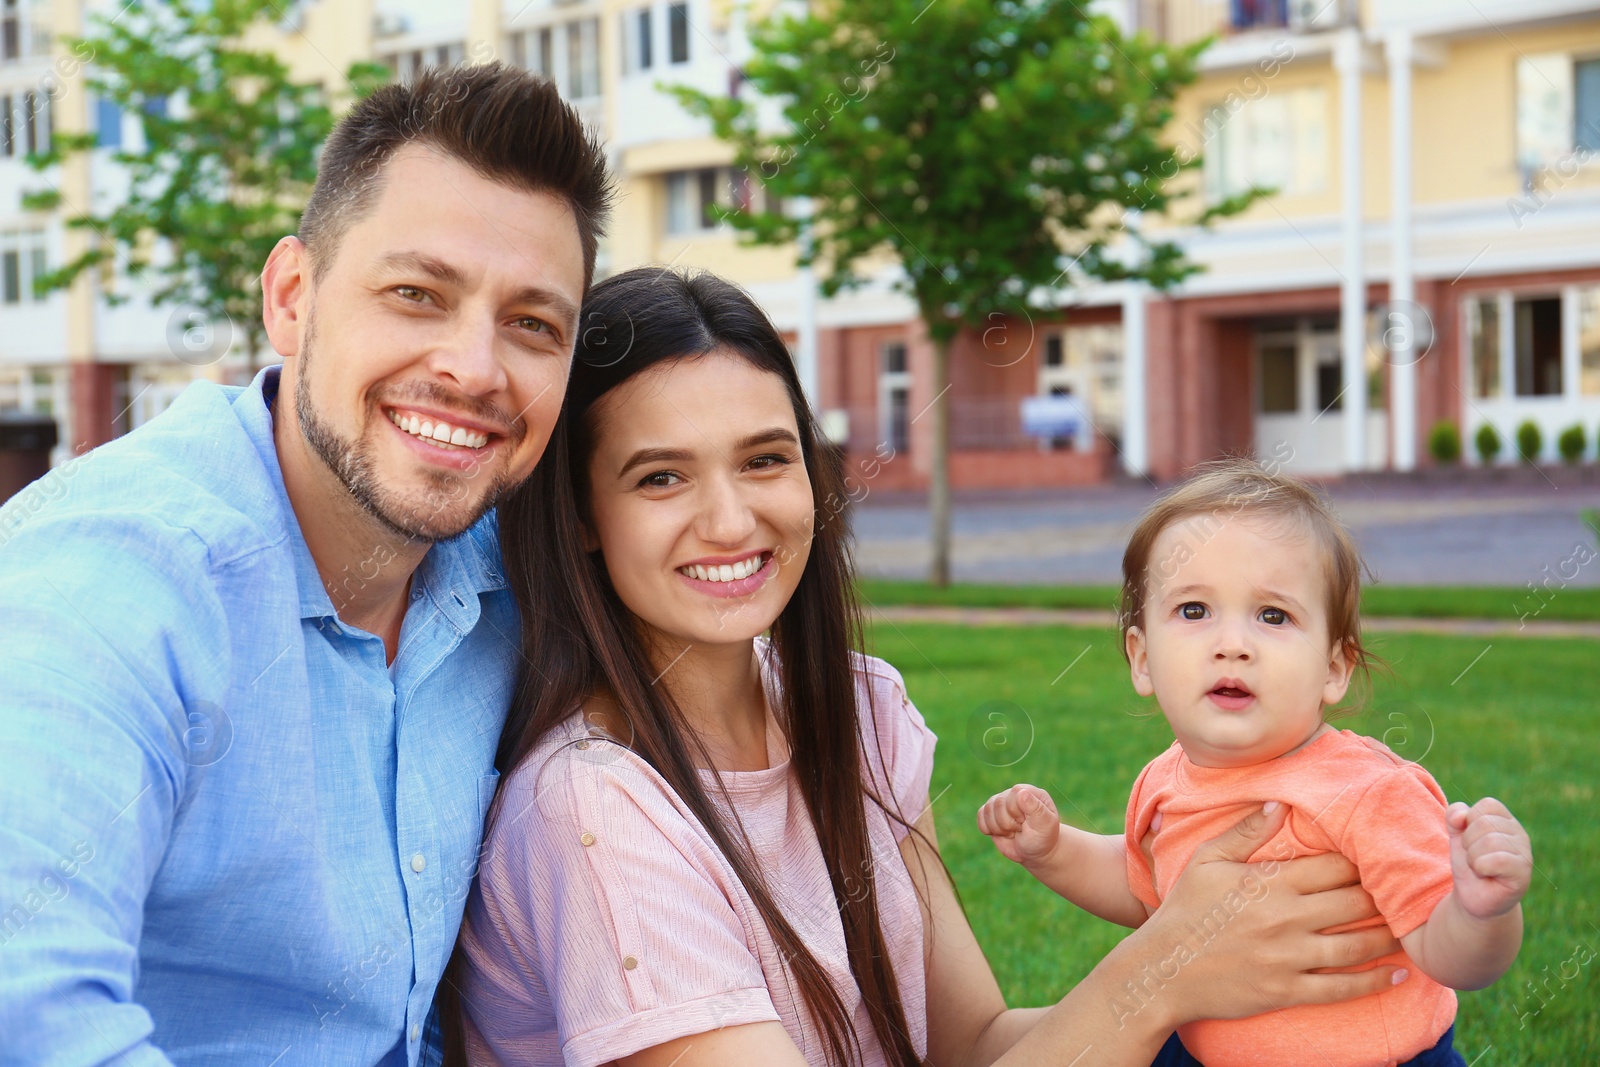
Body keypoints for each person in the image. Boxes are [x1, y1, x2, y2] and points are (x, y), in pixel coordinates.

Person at [450, 270, 1416, 1067]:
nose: (734, 519)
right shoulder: (592, 811)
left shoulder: (859, 712)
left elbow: (976, 1042)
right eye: (661, 476)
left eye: (764, 459)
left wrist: (1249, 1000)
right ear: (579, 515)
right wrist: (1168, 964)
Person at [0, 64, 611, 1064]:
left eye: (532, 323)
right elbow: (29, 1012)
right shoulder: (110, 583)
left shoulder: (509, 569)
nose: (475, 368)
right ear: (292, 296)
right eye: (417, 293)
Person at [979, 461, 1532, 1066]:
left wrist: (1481, 911)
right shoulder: (1164, 782)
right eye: (1194, 611)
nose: (1232, 643)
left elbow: (1450, 954)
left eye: (1274, 616)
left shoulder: (1366, 792)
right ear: (1141, 659)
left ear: (1333, 668)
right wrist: (1054, 851)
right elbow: (1148, 892)